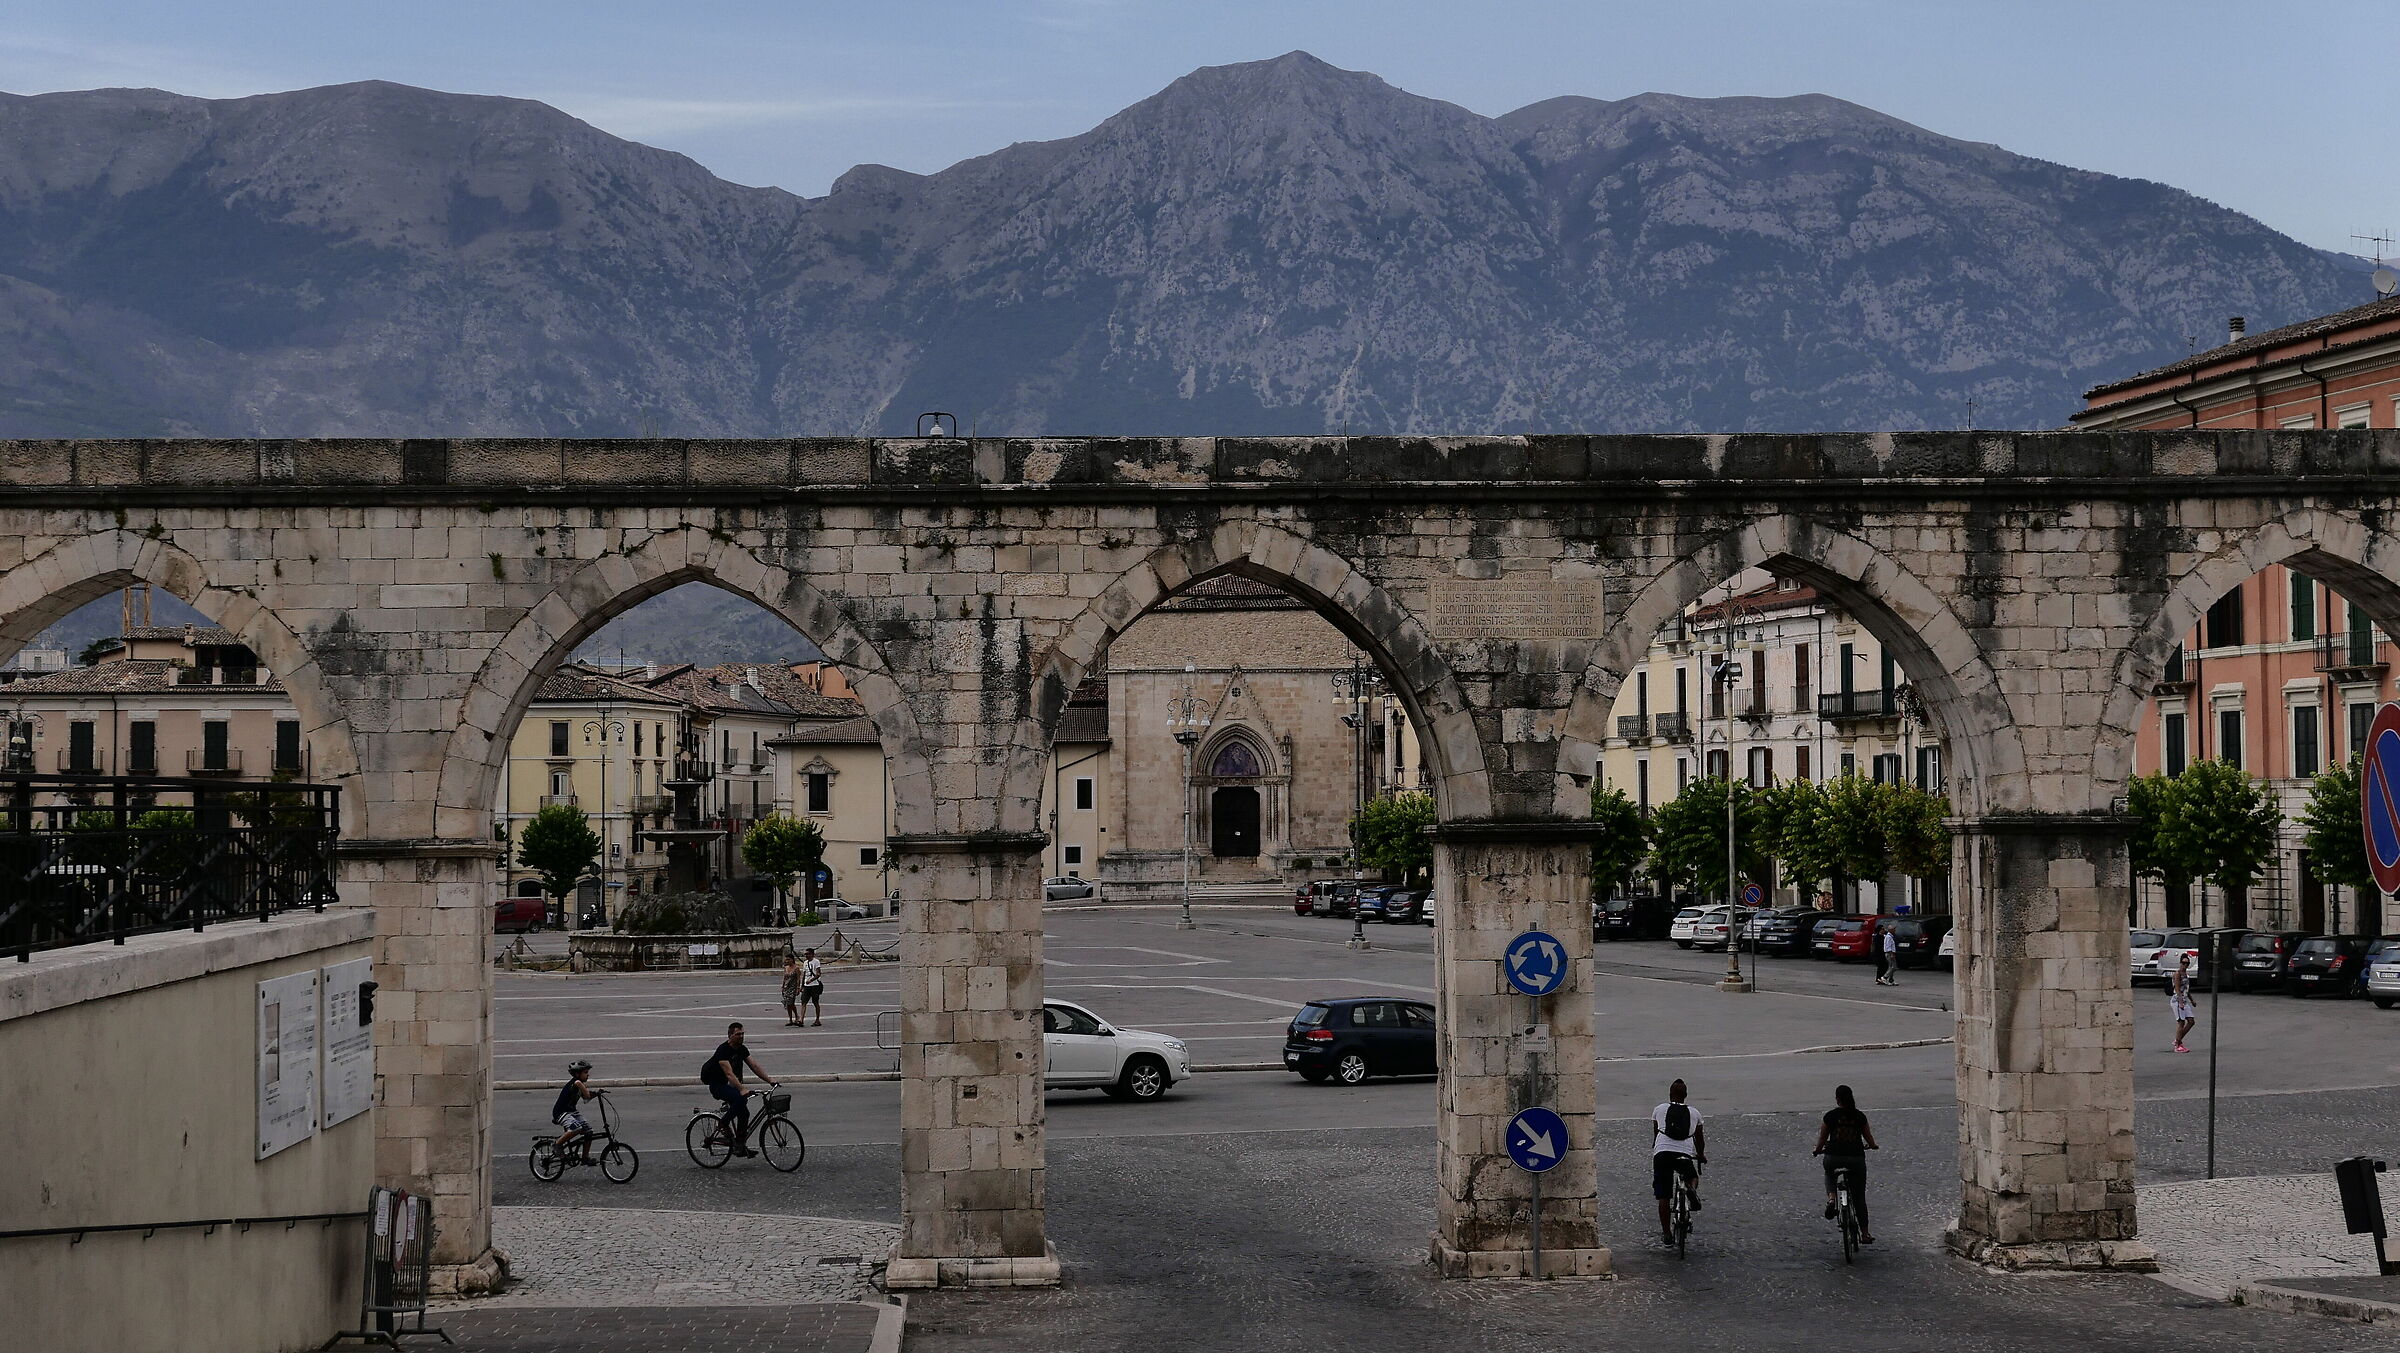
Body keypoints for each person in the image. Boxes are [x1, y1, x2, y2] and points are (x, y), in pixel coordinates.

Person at [1812, 1083, 1879, 1245]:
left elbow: (1822, 1139)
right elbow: (1869, 1139)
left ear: (1837, 1100)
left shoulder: (1830, 1116)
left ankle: (1832, 1199)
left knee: (1829, 1173)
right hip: (1855, 1159)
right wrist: (1873, 1145)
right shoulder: (1859, 1116)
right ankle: (1864, 1234)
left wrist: (1817, 1150)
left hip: (1833, 1156)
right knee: (1859, 1198)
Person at [701, 1021, 775, 1156]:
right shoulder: (723, 1050)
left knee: (744, 1113)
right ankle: (723, 1124)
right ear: (730, 1035)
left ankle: (740, 1145)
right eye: (738, 1034)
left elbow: (754, 1066)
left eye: (742, 1034)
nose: (741, 1037)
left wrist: (770, 1080)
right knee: (741, 1099)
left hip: (730, 1085)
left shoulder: (742, 1049)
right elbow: (729, 1073)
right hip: (718, 1085)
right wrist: (742, 1089)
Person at [1650, 1078, 1706, 1245]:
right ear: (1686, 1095)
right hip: (1684, 1155)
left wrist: (1656, 1146)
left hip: (1662, 1154)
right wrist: (1701, 1155)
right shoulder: (1695, 1113)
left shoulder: (1659, 1109)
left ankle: (1667, 1234)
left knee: (1664, 1196)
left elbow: (1656, 1133)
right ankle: (1691, 1189)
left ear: (1670, 1094)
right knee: (1692, 1176)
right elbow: (1699, 1139)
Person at [551, 1060, 598, 1158]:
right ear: (577, 1074)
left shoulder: (578, 1084)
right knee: (576, 1128)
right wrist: (595, 1093)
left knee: (589, 1131)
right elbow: (588, 1095)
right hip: (561, 1112)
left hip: (571, 1112)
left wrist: (596, 1094)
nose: (588, 1075)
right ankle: (557, 1144)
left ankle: (585, 1157)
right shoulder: (577, 1083)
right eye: (585, 1073)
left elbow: (585, 1098)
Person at [2169, 950, 2198, 1053]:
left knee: (2191, 1021)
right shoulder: (2177, 974)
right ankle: (2178, 1045)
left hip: (2184, 1000)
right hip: (2177, 1001)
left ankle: (2178, 1039)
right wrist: (2180, 1002)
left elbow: (2186, 989)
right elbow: (2177, 989)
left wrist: (2192, 1000)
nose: (2185, 965)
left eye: (2187, 963)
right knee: (2181, 1023)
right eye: (2184, 963)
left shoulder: (2186, 974)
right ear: (2180, 963)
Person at [800, 948, 826, 1027]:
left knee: (815, 1003)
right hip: (807, 986)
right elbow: (804, 974)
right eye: (806, 954)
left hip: (814, 985)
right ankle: (801, 1020)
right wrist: (802, 985)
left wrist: (811, 980)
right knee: (803, 1002)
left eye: (808, 954)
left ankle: (817, 1019)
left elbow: (818, 974)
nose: (806, 956)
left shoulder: (816, 962)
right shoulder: (805, 963)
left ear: (812, 954)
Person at [780, 954, 803, 1027]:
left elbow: (798, 979)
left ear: (792, 960)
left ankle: (796, 1016)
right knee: (787, 1004)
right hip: (787, 987)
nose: (787, 961)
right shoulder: (786, 968)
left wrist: (798, 988)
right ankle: (790, 1019)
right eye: (786, 959)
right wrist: (783, 986)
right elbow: (784, 977)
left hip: (793, 988)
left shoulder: (796, 968)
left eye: (788, 959)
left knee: (791, 1003)